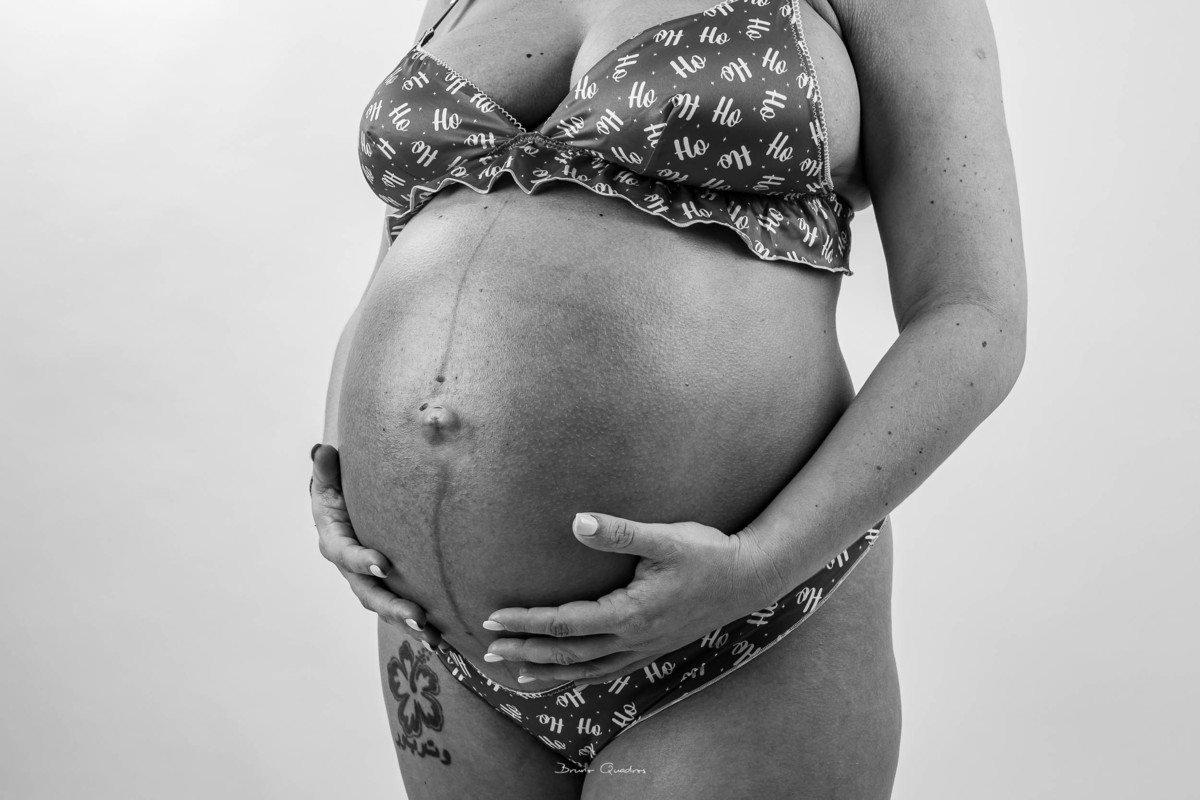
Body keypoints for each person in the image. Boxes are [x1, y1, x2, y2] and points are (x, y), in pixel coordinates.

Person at [309, 0, 1025, 795]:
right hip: (439, 638)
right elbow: (398, 251)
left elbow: (974, 315)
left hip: (741, 628)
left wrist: (757, 564)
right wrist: (337, 472)